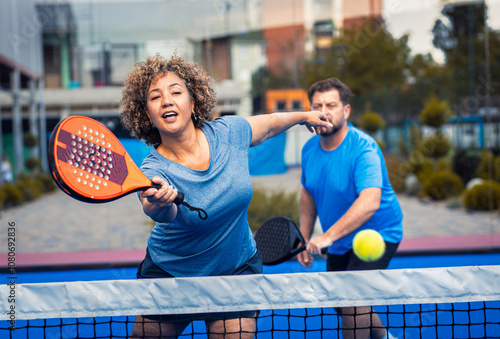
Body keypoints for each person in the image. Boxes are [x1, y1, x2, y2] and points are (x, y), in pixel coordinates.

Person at [120, 54, 332, 339]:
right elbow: (159, 212)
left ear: (193, 102)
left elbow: (270, 123)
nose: (167, 101)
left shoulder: (228, 133)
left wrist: (303, 116)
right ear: (147, 114)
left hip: (236, 268)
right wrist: (160, 205)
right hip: (172, 273)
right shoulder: (153, 169)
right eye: (155, 97)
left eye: (176, 92)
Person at [297, 78, 403, 339]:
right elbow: (308, 192)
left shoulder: (363, 148)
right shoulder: (309, 149)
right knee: (342, 302)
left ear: (346, 111)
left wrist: (326, 237)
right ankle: (385, 337)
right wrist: (304, 236)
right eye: (317, 105)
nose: (324, 111)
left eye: (331, 105)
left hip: (378, 235)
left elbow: (370, 202)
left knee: (352, 303)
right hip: (340, 239)